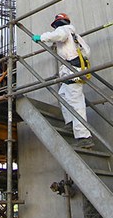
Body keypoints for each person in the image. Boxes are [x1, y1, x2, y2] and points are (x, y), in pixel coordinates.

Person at [33, 13, 94, 148]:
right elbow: (87, 52)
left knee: (75, 102)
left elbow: (58, 35)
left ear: (58, 24)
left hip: (72, 69)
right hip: (73, 68)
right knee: (63, 94)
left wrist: (41, 38)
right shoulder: (75, 36)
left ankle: (84, 137)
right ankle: (70, 122)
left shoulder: (64, 30)